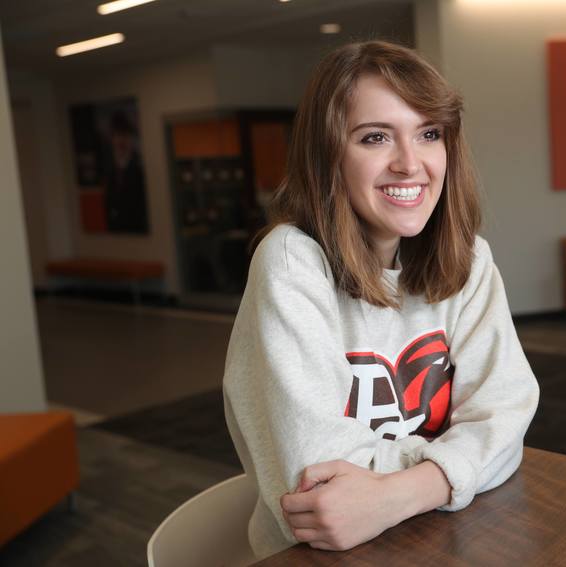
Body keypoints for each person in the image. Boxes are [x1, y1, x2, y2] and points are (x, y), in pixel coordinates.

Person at [223, 41, 539, 559]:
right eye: (375, 137)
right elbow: (317, 484)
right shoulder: (290, 262)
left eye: (429, 134)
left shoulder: (470, 259)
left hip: (436, 536)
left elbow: (506, 418)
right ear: (328, 157)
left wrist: (398, 494)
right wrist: (461, 460)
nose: (410, 164)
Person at [103, 110, 149, 233]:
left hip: (137, 227)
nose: (121, 140)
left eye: (125, 135)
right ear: (112, 139)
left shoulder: (140, 166)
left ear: (131, 138)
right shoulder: (108, 167)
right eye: (118, 135)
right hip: (116, 229)